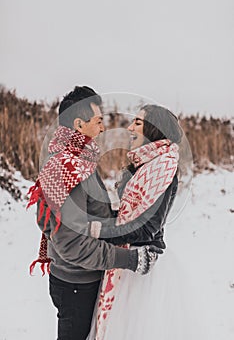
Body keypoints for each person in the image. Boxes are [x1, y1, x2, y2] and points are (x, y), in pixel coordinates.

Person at [27, 87, 159, 340]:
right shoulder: (69, 168)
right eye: (98, 121)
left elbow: (57, 221)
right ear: (79, 124)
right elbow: (72, 244)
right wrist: (130, 260)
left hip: (74, 279)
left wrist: (122, 215)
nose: (101, 129)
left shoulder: (68, 159)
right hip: (77, 284)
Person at [88, 104, 208, 340]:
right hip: (124, 258)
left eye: (138, 123)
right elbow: (127, 213)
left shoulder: (163, 169)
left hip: (143, 268)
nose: (130, 127)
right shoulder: (142, 164)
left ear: (154, 130)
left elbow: (148, 228)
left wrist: (102, 231)